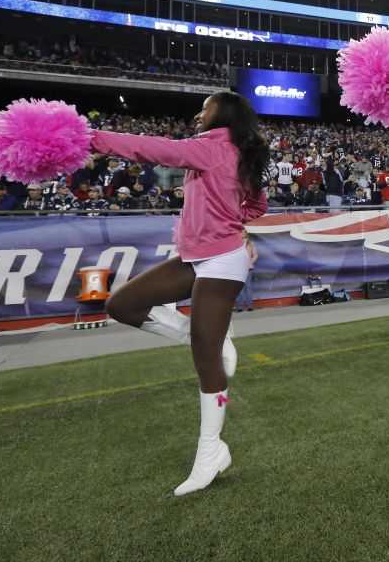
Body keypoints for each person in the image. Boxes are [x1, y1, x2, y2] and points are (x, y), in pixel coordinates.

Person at [90, 91, 269, 496]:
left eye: (204, 108)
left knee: (207, 362)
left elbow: (149, 148)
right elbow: (257, 204)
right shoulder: (236, 152)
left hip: (223, 257)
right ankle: (201, 334)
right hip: (196, 254)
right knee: (121, 304)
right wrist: (239, 220)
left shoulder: (212, 147)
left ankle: (212, 450)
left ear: (222, 114)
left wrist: (93, 137)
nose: (198, 113)